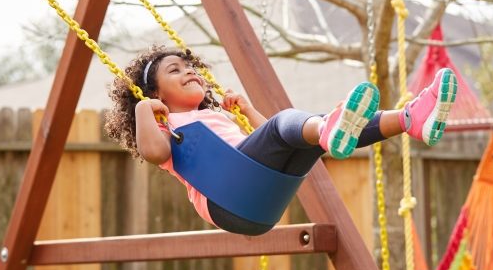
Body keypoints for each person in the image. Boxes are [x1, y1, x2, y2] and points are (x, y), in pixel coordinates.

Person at [106, 46, 457, 235]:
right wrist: (143, 110)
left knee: (306, 135)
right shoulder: (171, 126)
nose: (189, 73)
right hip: (226, 198)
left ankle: (411, 119)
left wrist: (248, 108)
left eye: (190, 67)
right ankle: (327, 130)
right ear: (154, 92)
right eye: (175, 71)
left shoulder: (221, 118)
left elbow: (267, 140)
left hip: (258, 198)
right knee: (295, 122)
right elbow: (154, 153)